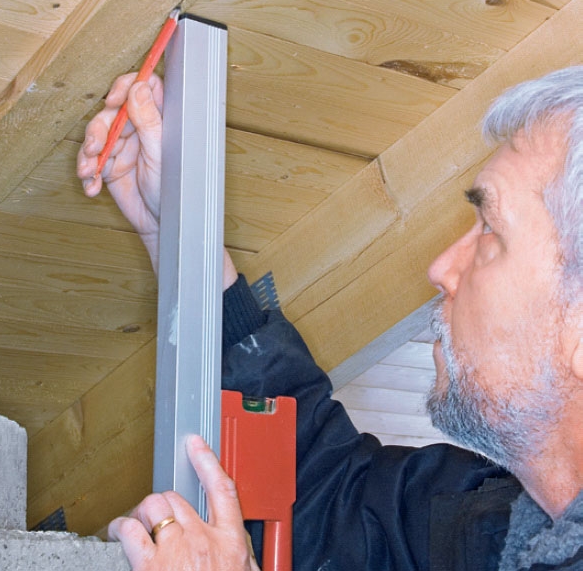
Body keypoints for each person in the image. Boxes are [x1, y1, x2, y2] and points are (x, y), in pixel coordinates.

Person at [76, 66, 583, 571]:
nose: (441, 268)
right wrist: (182, 230)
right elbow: (323, 494)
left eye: (490, 231)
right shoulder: (490, 526)